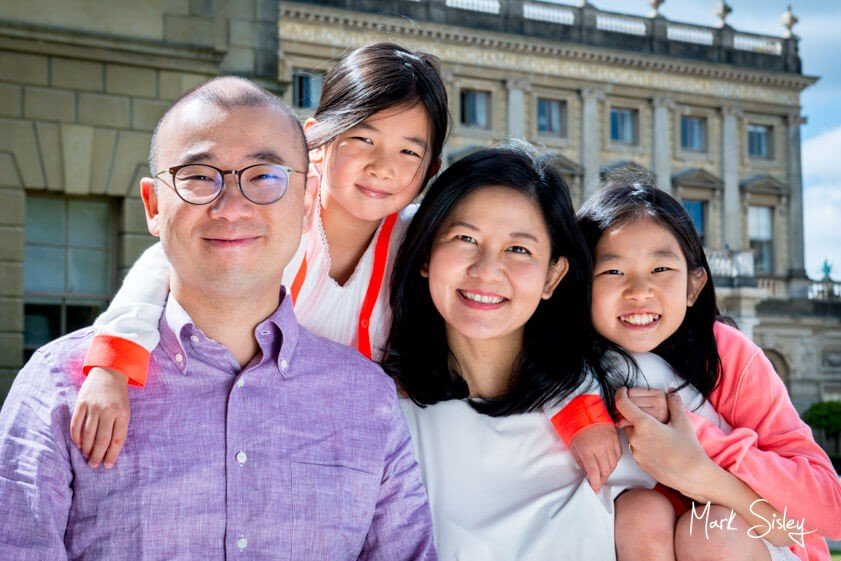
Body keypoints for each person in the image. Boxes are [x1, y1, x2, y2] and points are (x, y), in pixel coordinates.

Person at [0, 77, 437, 560]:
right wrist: (112, 359)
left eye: (264, 177)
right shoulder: (57, 386)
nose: (231, 207)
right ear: (153, 204)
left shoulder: (367, 402)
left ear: (307, 197)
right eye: (199, 177)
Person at [70, 42, 449, 469]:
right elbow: (163, 261)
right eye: (363, 138)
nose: (383, 167)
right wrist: (113, 362)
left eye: (409, 152)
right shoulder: (275, 209)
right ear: (316, 140)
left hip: (349, 457)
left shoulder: (422, 240)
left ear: (431, 168)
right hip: (231, 434)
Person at [380, 143, 754, 560]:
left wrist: (701, 476)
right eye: (465, 238)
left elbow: (792, 526)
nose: (486, 270)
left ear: (553, 275)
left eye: (519, 249)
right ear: (426, 254)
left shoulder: (634, 384)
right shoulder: (384, 416)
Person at [553, 177, 841, 561]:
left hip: (767, 538)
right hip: (646, 531)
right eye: (613, 272)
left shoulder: (726, 354)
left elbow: (831, 510)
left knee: (708, 531)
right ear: (579, 285)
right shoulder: (567, 365)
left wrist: (697, 443)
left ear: (693, 285)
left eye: (660, 269)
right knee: (640, 513)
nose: (639, 291)